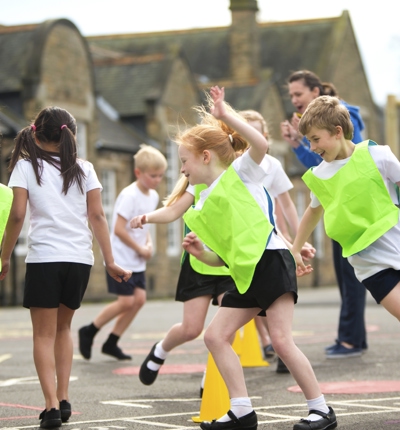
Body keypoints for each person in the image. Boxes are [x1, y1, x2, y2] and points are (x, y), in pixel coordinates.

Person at [180, 86, 337, 430]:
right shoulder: (202, 204)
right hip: (247, 272)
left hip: (271, 260)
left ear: (206, 157)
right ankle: (241, 410)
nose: (182, 170)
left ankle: (321, 409)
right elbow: (222, 259)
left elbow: (261, 145)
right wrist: (200, 254)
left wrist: (225, 116)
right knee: (214, 336)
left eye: (184, 161)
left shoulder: (239, 173)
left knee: (281, 341)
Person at [0, 107, 131, 429]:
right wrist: (110, 260)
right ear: (68, 133)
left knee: (43, 335)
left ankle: (50, 407)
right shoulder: (84, 168)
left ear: (36, 133)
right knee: (63, 330)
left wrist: (3, 257)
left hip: (45, 258)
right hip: (79, 259)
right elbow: (97, 217)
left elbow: (17, 216)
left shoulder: (25, 167)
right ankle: (64, 397)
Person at [131, 114, 249, 387]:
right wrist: (147, 217)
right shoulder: (197, 187)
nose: (183, 168)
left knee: (223, 330)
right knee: (191, 329)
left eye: (184, 161)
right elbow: (172, 211)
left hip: (226, 262)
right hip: (198, 264)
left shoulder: (234, 181)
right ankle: (160, 349)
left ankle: (213, 379)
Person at [291, 96, 400, 371]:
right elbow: (313, 212)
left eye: (316, 139)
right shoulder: (319, 175)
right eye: (309, 141)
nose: (313, 147)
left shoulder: (378, 155)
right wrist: (295, 248)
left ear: (338, 131)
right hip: (371, 266)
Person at [280, 69, 368, 359]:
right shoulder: (314, 131)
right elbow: (319, 166)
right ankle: (351, 337)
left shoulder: (341, 118)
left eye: (298, 94)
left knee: (356, 275)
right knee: (348, 276)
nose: (294, 100)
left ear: (315, 92)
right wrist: (297, 144)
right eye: (291, 95)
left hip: (356, 210)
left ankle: (351, 339)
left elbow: (341, 160)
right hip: (335, 208)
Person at [239, 109, 316, 372]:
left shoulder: (272, 165)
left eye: (256, 131)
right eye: (245, 130)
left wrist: (299, 240)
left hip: (274, 234)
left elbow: (288, 205)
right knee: (254, 296)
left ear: (264, 135)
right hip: (247, 239)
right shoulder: (234, 167)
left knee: (275, 296)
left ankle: (278, 344)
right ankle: (268, 341)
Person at [78, 144, 167, 361]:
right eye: (153, 175)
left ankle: (112, 342)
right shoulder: (129, 195)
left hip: (138, 258)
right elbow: (118, 229)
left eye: (160, 176)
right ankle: (89, 330)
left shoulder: (153, 196)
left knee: (140, 300)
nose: (157, 180)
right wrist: (138, 248)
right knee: (127, 302)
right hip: (122, 258)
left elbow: (145, 227)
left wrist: (148, 245)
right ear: (138, 173)